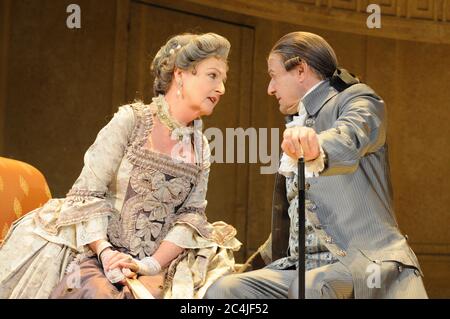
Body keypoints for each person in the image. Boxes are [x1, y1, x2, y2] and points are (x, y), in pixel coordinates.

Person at [0, 32, 241, 299]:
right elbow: (87, 193)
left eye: (223, 79)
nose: (221, 89)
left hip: (157, 262)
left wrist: (150, 264)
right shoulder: (131, 121)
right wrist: (106, 252)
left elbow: (190, 216)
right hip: (97, 247)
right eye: (212, 76)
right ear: (180, 74)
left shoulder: (200, 146)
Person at [205, 31, 427, 299]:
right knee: (225, 290)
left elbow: (351, 136)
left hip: (364, 262)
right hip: (300, 268)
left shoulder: (358, 100)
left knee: (309, 287)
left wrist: (317, 147)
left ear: (300, 70)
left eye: (273, 75)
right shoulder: (297, 123)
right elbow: (303, 219)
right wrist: (246, 268)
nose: (270, 88)